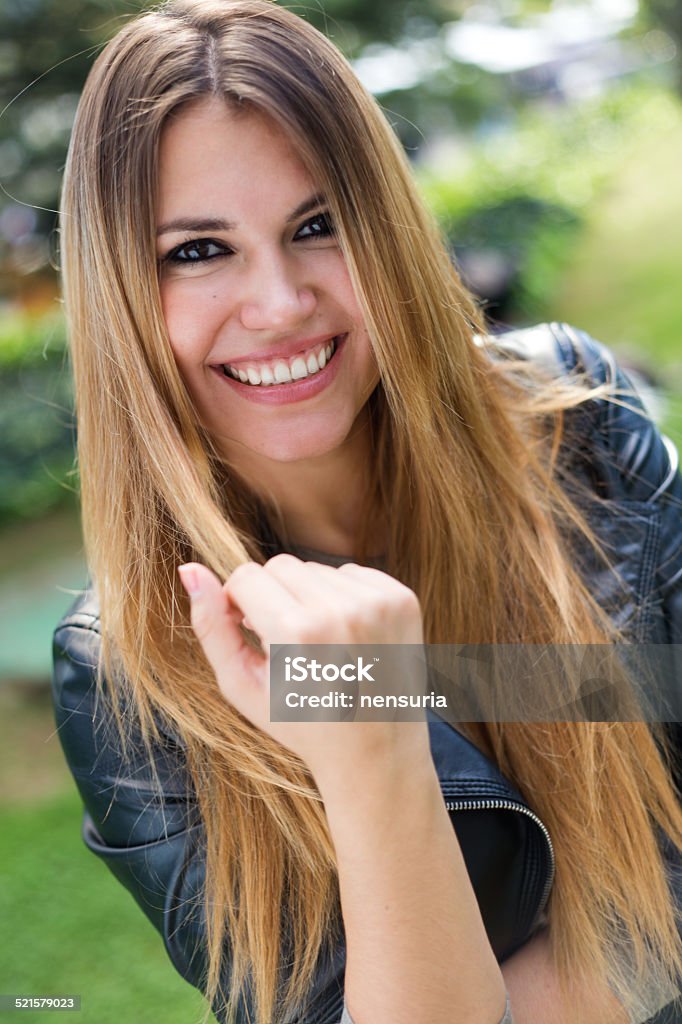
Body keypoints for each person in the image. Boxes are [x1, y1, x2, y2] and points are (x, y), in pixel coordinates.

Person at [51, 1, 682, 1022]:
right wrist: (371, 738)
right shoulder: (130, 671)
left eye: (317, 225)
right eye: (198, 251)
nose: (281, 301)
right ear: (121, 293)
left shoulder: (574, 423)